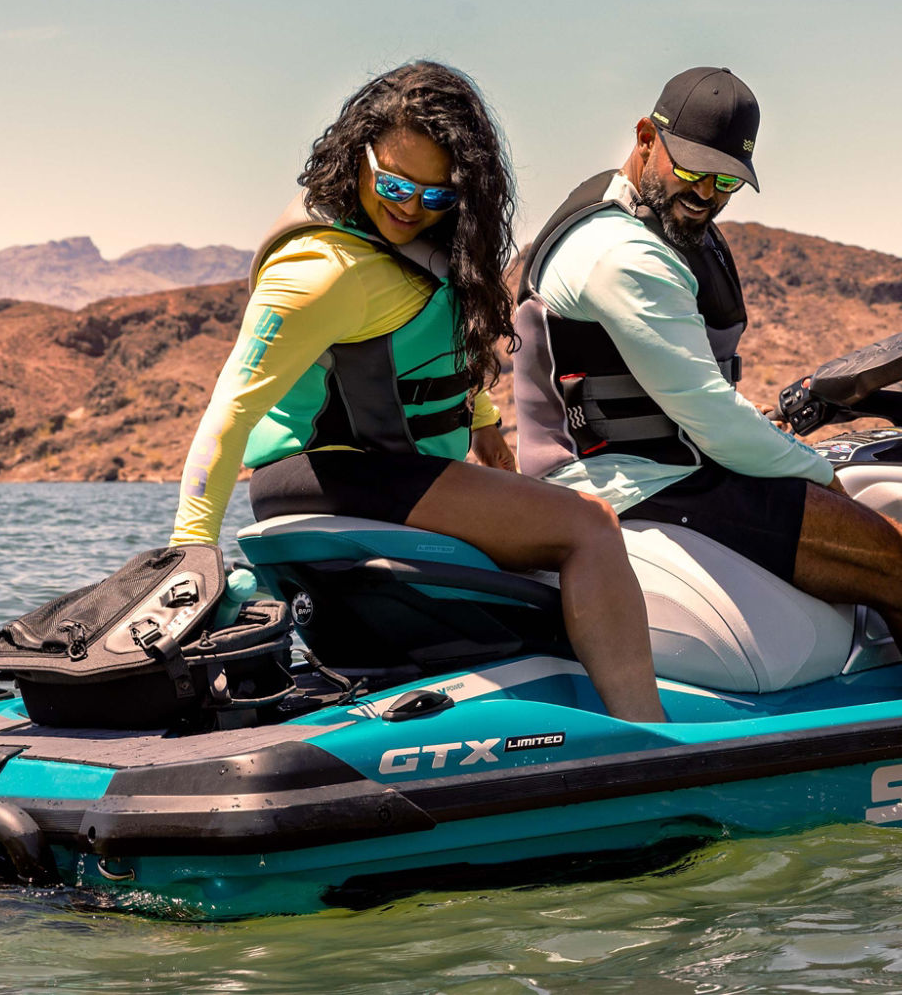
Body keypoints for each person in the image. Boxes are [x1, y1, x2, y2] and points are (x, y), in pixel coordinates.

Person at [171, 61, 665, 722]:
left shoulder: (422, 242)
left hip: (389, 469)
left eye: (437, 196)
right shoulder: (320, 271)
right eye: (395, 183)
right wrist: (188, 567)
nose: (410, 208)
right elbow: (229, 412)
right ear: (357, 154)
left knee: (562, 516)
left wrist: (484, 422)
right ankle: (647, 735)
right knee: (590, 526)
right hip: (334, 473)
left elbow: (430, 356)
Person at [512, 66, 902, 693]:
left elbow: (692, 399)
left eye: (727, 180)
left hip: (669, 468)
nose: (708, 194)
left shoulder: (639, 222)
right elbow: (712, 418)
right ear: (646, 137)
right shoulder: (622, 254)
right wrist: (819, 471)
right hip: (638, 486)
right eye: (694, 171)